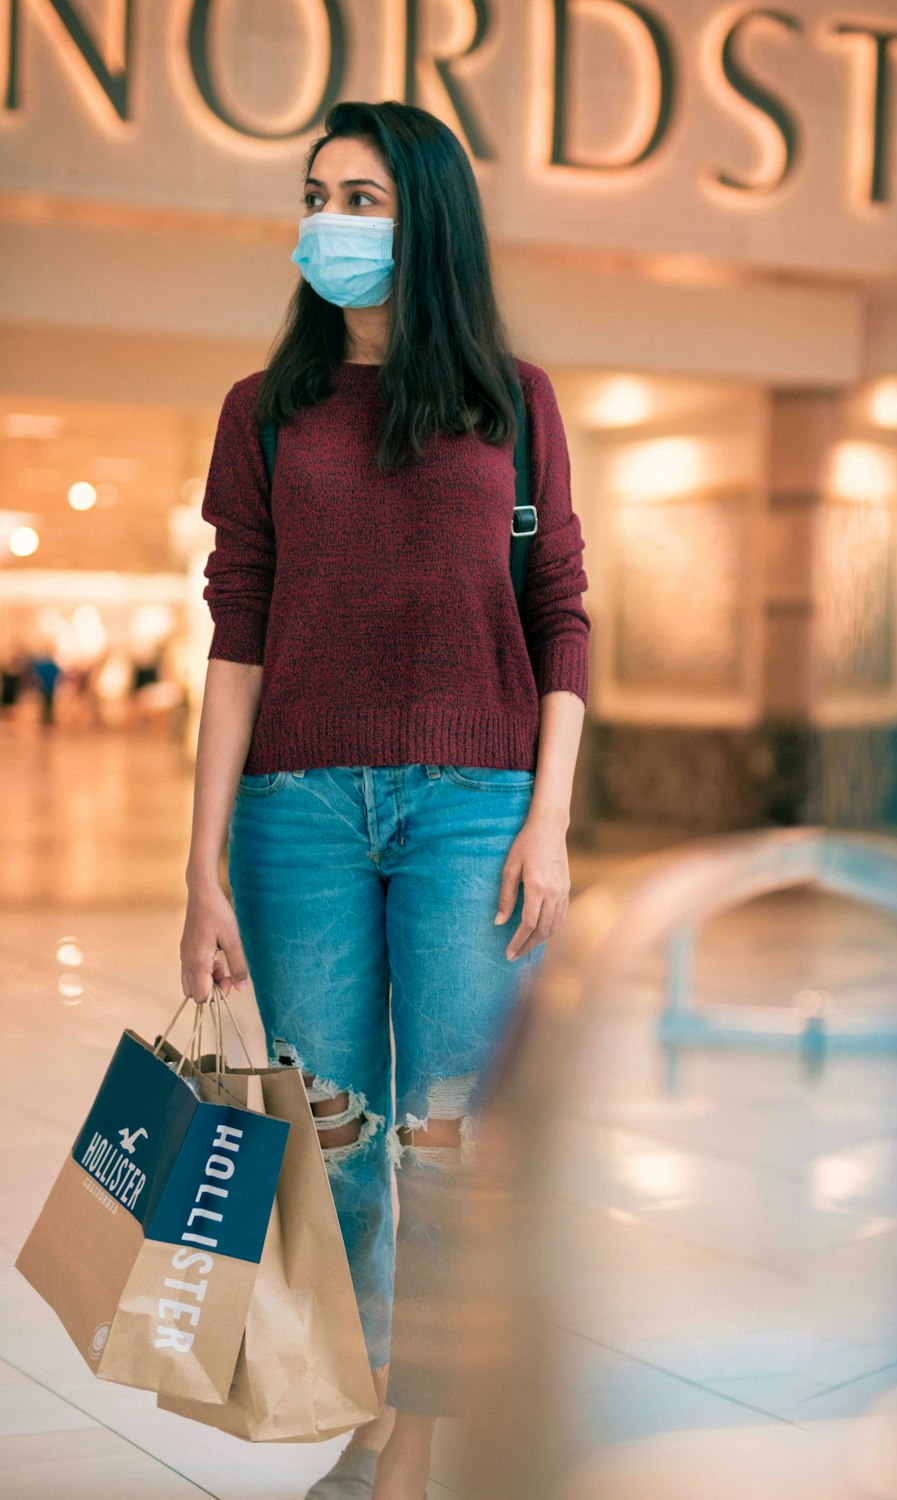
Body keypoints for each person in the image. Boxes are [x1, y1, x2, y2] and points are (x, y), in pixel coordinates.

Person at [180, 99, 591, 1500]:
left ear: (429, 219)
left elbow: (563, 617)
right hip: (293, 821)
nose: (331, 225)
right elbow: (235, 637)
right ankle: (377, 1414)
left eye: (364, 199)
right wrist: (200, 873)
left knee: (453, 1146)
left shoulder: (512, 402)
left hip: (477, 810)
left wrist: (552, 817)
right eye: (318, 196)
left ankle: (417, 1435)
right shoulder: (266, 413)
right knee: (338, 1147)